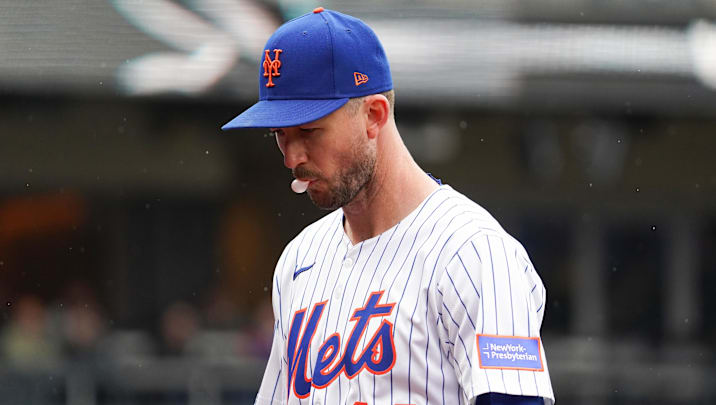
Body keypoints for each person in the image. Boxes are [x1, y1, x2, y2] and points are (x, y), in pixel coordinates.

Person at [222, 8, 554, 405]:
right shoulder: (299, 261)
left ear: (374, 115)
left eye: (309, 130)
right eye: (280, 133)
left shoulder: (474, 251)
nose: (292, 157)